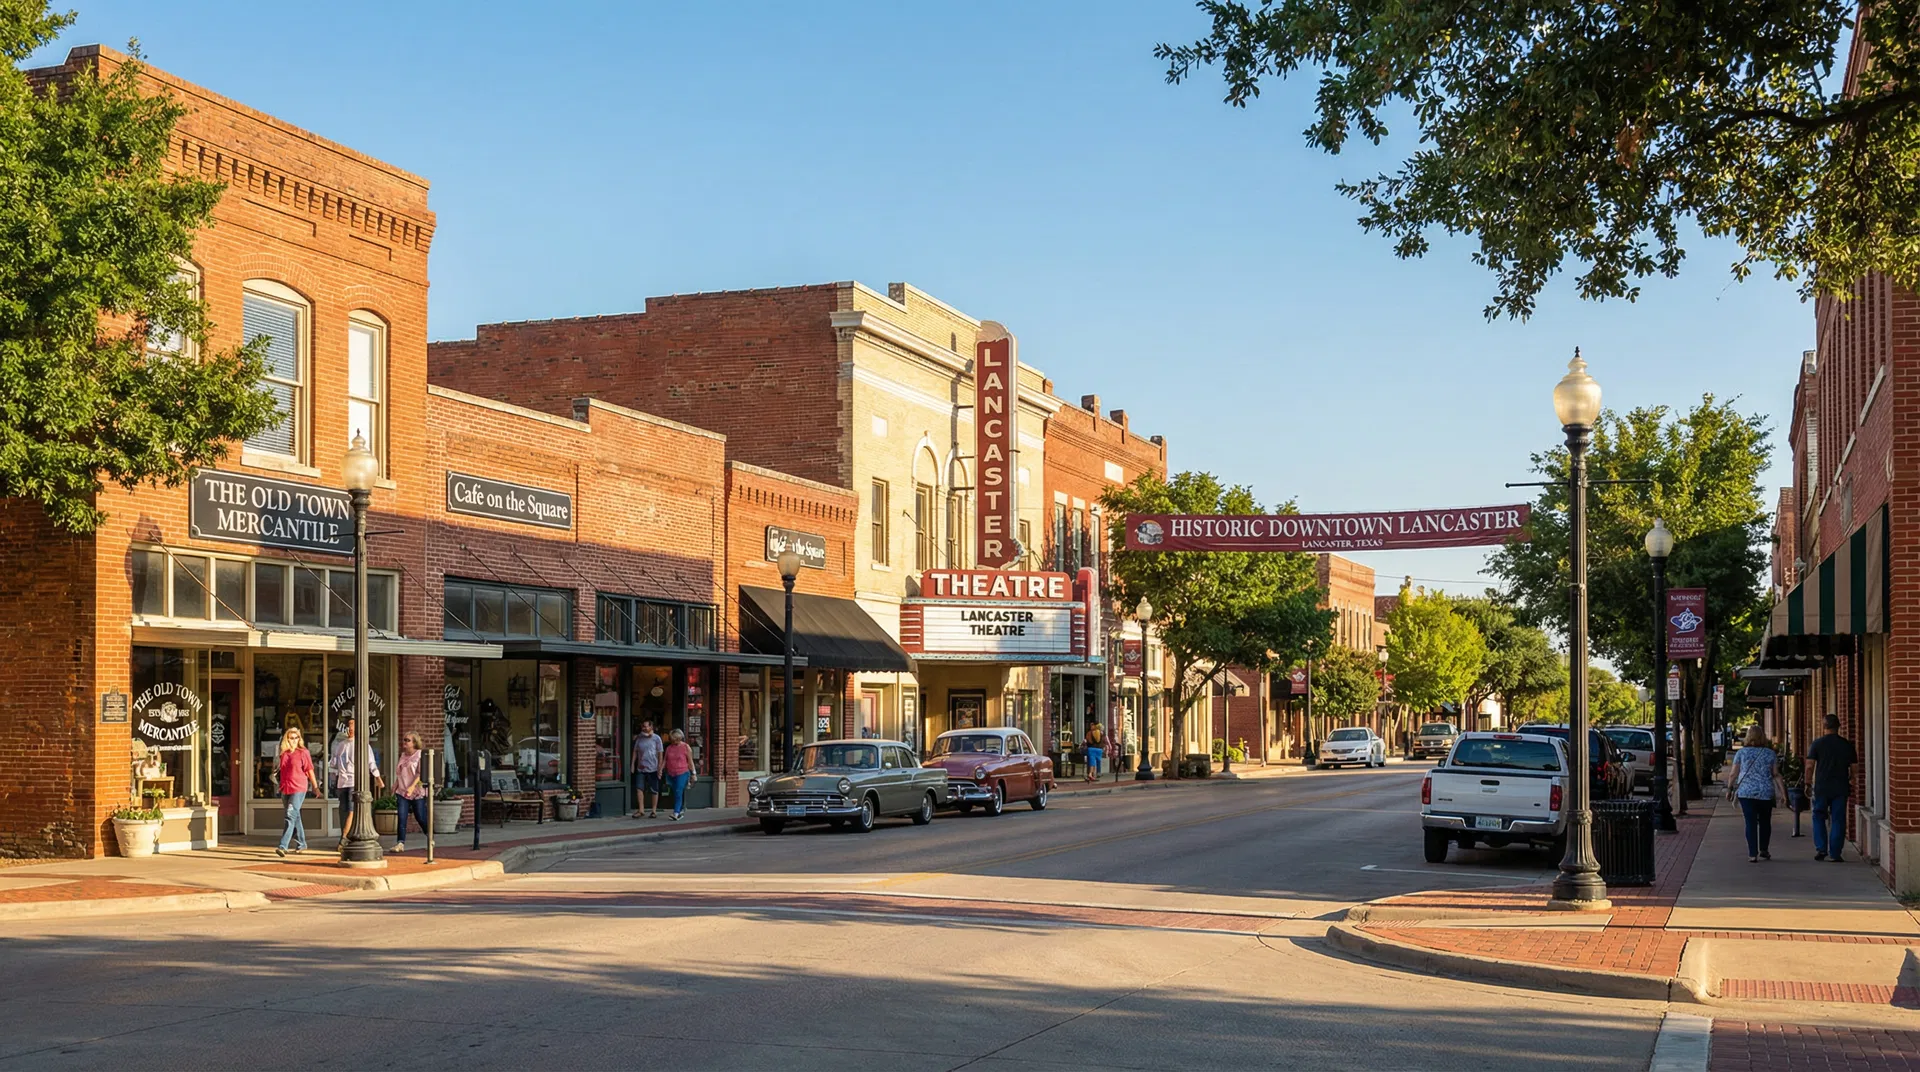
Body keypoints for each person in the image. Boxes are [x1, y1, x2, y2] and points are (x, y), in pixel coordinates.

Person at [1728, 725, 1785, 863]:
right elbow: (1776, 774)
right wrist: (1784, 793)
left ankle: (1752, 854)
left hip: (1746, 792)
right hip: (1765, 792)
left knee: (1750, 822)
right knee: (1765, 822)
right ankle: (1764, 850)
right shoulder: (1770, 753)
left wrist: (1729, 789)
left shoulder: (1741, 753)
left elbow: (1733, 774)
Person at [1807, 713, 1858, 863]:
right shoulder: (1846, 745)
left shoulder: (1817, 744)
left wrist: (1808, 783)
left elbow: (1810, 766)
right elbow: (1854, 767)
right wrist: (1852, 779)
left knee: (1818, 816)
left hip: (1822, 786)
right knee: (1838, 819)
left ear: (1824, 726)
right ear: (1839, 726)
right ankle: (1835, 853)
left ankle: (1821, 848)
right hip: (1840, 787)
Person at [330, 720, 383, 859]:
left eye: (353, 726)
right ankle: (346, 836)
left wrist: (377, 777)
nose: (350, 729)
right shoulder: (341, 745)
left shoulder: (363, 745)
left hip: (355, 781)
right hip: (342, 782)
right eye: (349, 726)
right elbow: (334, 763)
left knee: (352, 810)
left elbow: (371, 763)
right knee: (344, 810)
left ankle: (343, 839)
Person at [275, 727, 316, 857]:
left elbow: (309, 770)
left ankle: (283, 846)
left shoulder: (303, 752)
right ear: (287, 739)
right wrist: (279, 786)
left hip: (299, 787)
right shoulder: (284, 754)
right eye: (291, 738)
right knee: (295, 816)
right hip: (285, 787)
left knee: (290, 815)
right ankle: (301, 843)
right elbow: (282, 772)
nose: (294, 740)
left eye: (296, 737)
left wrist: (315, 786)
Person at [392, 733, 428, 853]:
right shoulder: (403, 755)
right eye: (404, 740)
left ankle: (430, 836)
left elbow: (420, 774)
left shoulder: (419, 755)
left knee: (420, 817)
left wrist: (412, 787)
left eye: (408, 740)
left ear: (414, 742)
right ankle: (400, 843)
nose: (405, 742)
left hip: (416, 792)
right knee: (402, 817)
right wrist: (395, 784)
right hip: (402, 791)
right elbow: (400, 773)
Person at [631, 719, 664, 818]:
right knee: (639, 788)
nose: (644, 728)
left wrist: (659, 767)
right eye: (643, 726)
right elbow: (635, 751)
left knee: (654, 789)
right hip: (641, 767)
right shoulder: (639, 738)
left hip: (653, 767)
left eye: (646, 726)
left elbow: (660, 753)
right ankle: (641, 810)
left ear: (651, 727)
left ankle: (654, 810)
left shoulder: (657, 738)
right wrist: (633, 764)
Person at [662, 728, 694, 820]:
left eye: (675, 739)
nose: (673, 741)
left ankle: (676, 813)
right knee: (675, 792)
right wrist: (661, 769)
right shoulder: (669, 748)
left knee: (678, 791)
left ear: (679, 738)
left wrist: (693, 773)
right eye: (672, 739)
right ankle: (680, 810)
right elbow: (665, 760)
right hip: (671, 773)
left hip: (682, 772)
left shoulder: (686, 747)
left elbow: (690, 761)